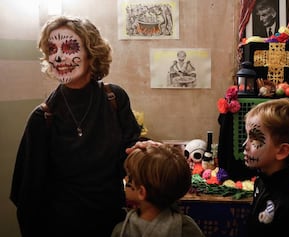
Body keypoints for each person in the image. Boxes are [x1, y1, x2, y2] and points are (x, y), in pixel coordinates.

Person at [10, 15, 142, 237]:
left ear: (92, 53)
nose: (59, 56)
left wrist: (145, 150)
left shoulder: (114, 98)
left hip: (112, 224)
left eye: (70, 47)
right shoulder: (42, 118)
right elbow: (26, 197)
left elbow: (130, 148)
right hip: (61, 227)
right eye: (52, 49)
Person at [243, 98, 289, 237]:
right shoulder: (262, 181)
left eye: (255, 139)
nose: (245, 146)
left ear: (282, 151)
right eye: (247, 137)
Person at [111, 144, 205, 237]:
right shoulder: (187, 228)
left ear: (141, 192)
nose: (125, 178)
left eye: (129, 175)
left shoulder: (122, 231)